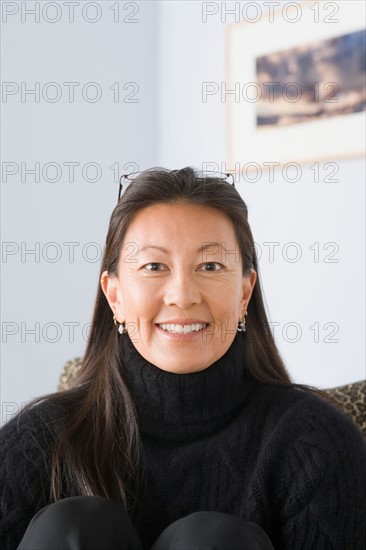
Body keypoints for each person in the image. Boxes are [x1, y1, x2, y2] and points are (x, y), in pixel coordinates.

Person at [0, 167, 365, 550]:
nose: (182, 295)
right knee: (72, 526)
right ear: (115, 295)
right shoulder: (36, 444)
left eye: (210, 266)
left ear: (244, 293)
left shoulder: (315, 443)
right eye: (154, 267)